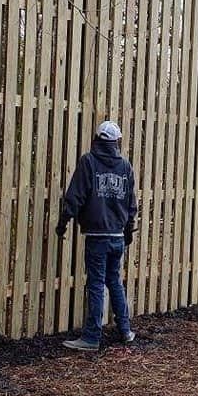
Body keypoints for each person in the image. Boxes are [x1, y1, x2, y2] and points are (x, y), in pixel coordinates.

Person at [55, 120, 137, 350]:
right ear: (116, 142)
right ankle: (126, 330)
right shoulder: (125, 166)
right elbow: (132, 204)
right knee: (114, 282)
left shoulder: (89, 162)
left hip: (97, 235)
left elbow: (75, 196)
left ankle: (92, 337)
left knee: (97, 284)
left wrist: (63, 222)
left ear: (98, 139)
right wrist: (128, 230)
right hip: (117, 237)